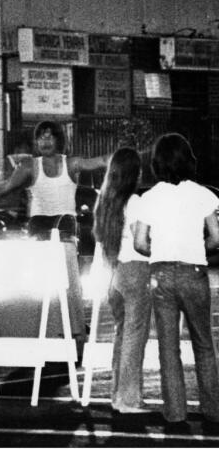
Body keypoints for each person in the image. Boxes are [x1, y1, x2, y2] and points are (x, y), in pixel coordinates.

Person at [133, 133, 219, 428]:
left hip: (160, 273)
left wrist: (160, 250)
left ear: (157, 163)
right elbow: (217, 237)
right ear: (188, 160)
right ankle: (213, 411)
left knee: (168, 347)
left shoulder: (149, 198)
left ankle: (175, 413)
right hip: (194, 272)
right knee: (204, 344)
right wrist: (198, 249)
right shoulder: (204, 194)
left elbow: (140, 243)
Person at [0, 120, 108, 241]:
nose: (45, 142)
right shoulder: (29, 166)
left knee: (65, 257)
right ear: (36, 142)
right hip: (38, 224)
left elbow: (101, 161)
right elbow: (4, 188)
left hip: (65, 223)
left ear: (58, 141)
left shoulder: (72, 164)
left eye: (50, 138)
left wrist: (124, 158)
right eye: (41, 138)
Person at [92, 147, 148, 413]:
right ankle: (128, 399)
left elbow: (102, 240)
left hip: (113, 272)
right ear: (133, 173)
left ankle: (118, 395)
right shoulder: (135, 202)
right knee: (135, 337)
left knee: (121, 334)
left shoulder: (104, 202)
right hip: (135, 270)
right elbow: (142, 242)